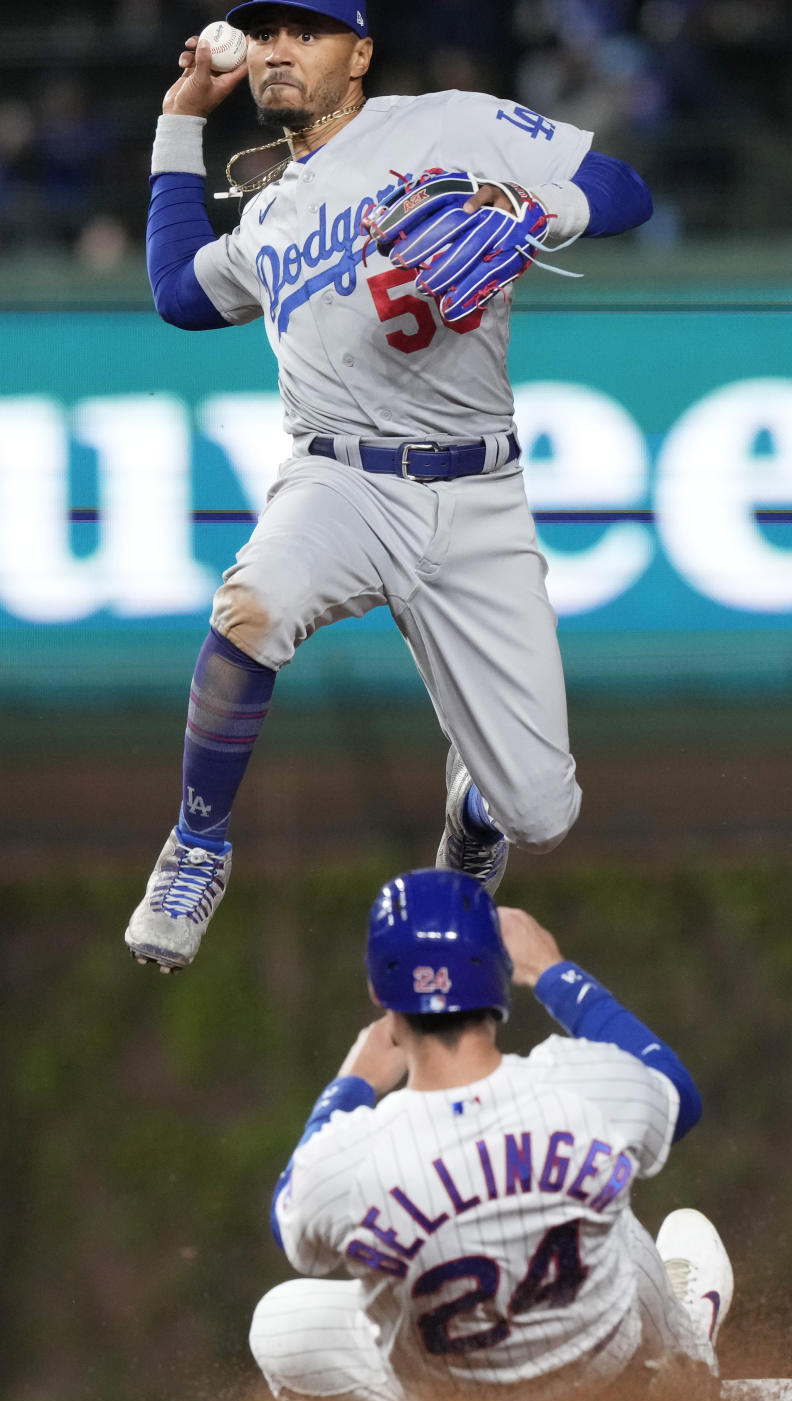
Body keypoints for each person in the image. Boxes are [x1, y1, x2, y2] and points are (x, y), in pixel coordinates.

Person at [124, 0, 655, 972]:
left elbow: (625, 188)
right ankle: (196, 843)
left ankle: (472, 807)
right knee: (255, 602)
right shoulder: (270, 212)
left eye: (306, 30)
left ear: (359, 51)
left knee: (540, 809)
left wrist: (534, 207)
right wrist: (181, 116)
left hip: (480, 494)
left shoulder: (448, 122)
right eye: (267, 32)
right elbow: (175, 294)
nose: (281, 48)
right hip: (342, 481)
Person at [247, 867, 734, 1401]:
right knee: (605, 1195)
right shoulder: (581, 1087)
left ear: (377, 990)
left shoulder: (349, 1154)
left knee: (277, 1321)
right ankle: (687, 1366)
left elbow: (288, 1221)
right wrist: (552, 971)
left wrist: (350, 1086)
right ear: (499, 975)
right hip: (599, 1374)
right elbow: (677, 1095)